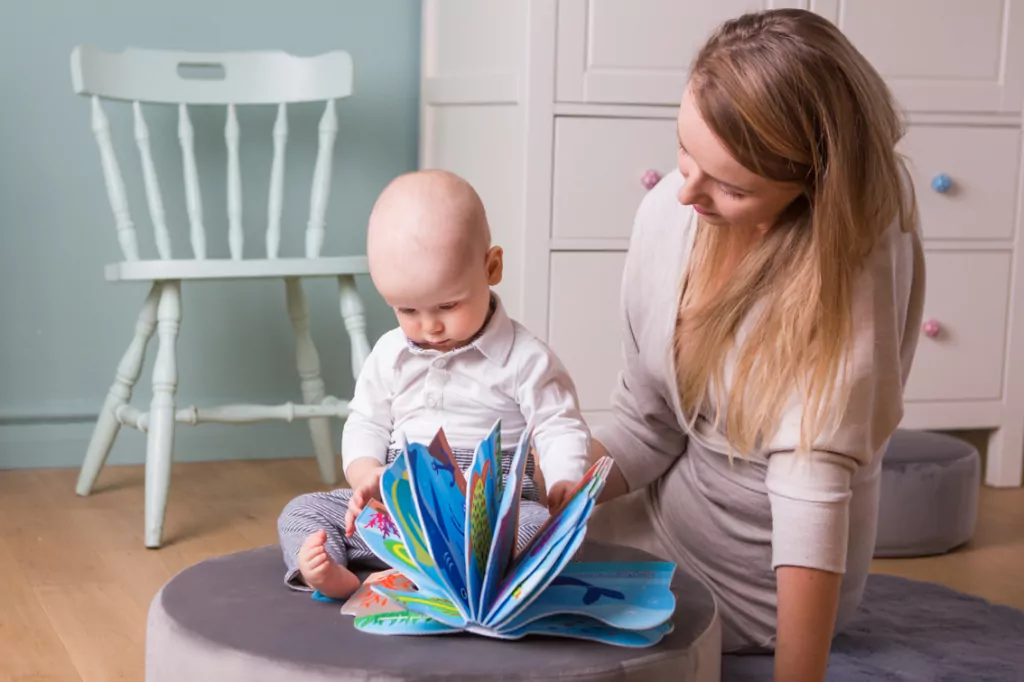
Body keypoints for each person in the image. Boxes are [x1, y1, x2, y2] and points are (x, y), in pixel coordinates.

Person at [583, 9, 925, 682]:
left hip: (757, 584)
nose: (685, 191)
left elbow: (812, 499)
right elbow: (645, 424)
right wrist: (543, 496)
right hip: (661, 517)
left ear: (811, 189)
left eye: (731, 186)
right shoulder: (674, 212)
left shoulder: (847, 264)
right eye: (684, 149)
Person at [277, 169, 590, 600]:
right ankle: (332, 573)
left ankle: (462, 575)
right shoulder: (390, 353)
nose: (429, 326)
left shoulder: (525, 358)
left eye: (447, 305)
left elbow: (559, 424)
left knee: (542, 528)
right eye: (407, 310)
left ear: (491, 267)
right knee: (303, 511)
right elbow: (366, 420)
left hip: (492, 516)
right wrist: (366, 472)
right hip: (402, 510)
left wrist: (565, 480)